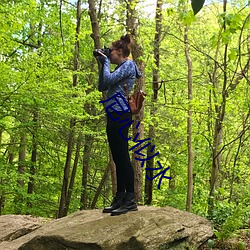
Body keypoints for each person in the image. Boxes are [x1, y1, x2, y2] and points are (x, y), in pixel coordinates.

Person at [96, 34, 142, 216]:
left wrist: (105, 62)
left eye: (111, 51)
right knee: (117, 157)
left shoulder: (129, 65)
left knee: (122, 156)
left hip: (121, 114)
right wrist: (103, 64)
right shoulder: (119, 68)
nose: (109, 54)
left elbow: (107, 81)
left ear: (120, 52)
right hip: (113, 114)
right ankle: (121, 197)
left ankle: (130, 199)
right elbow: (102, 85)